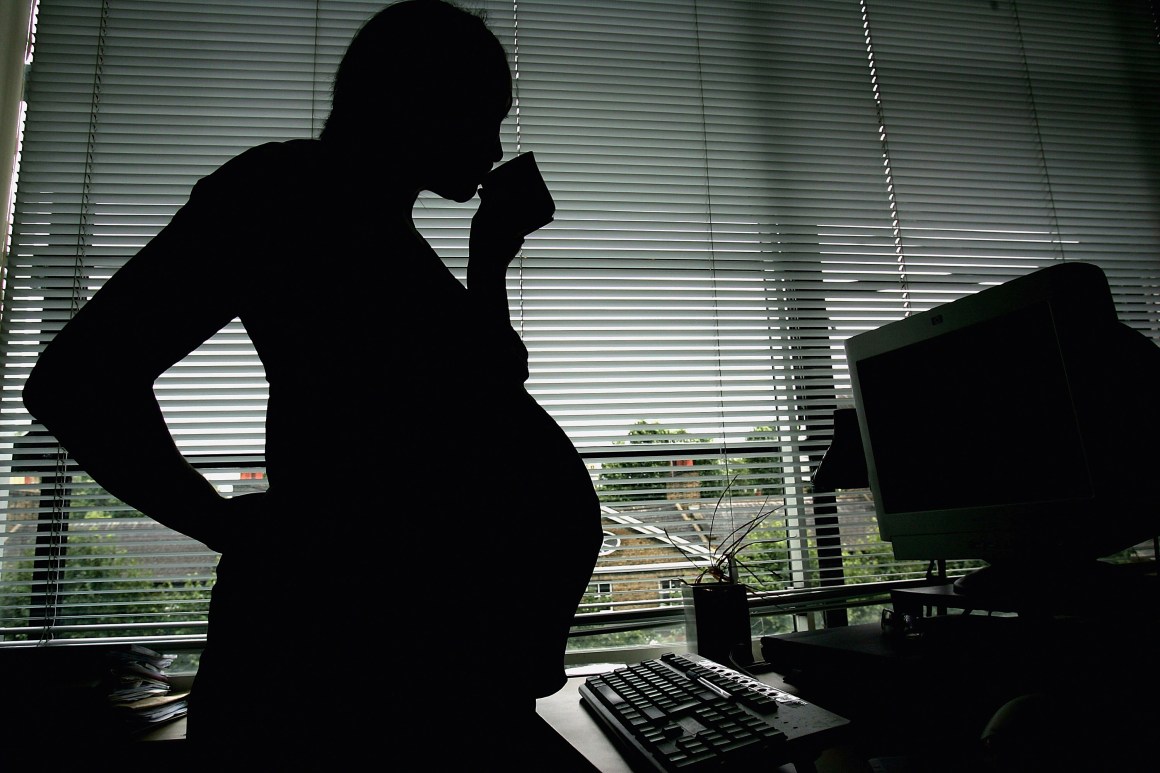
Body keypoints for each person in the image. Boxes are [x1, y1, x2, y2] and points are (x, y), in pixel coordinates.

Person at [21, 1, 603, 769]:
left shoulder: (384, 233)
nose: (495, 144)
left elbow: (489, 393)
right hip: (342, 676)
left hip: (434, 674)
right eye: (484, 116)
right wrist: (225, 526)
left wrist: (489, 257)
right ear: (417, 99)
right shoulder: (287, 191)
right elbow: (77, 379)